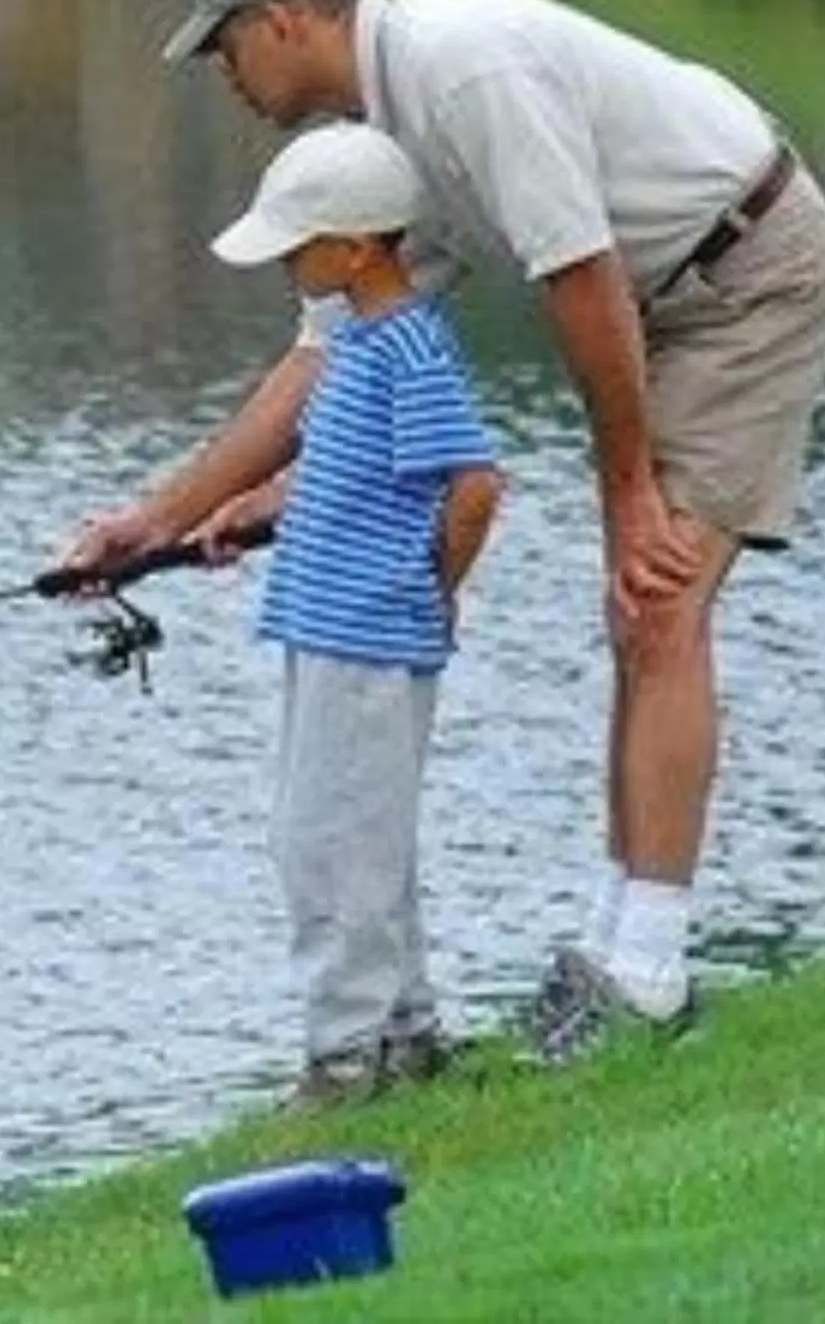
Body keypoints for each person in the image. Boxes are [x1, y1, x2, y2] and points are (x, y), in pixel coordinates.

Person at [60, 0, 825, 1067]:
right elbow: (321, 358)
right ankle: (619, 947)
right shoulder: (381, 159)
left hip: (753, 275)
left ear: (283, 20)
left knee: (660, 601)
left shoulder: (461, 73)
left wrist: (626, 494)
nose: (221, 72)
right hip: (664, 294)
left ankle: (649, 967)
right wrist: (159, 521)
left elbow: (578, 276)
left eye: (223, 44)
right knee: (638, 617)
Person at [188, 119, 503, 1108]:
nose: (285, 258)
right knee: (337, 834)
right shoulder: (358, 342)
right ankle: (404, 1036)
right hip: (324, 629)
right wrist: (249, 510)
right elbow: (343, 478)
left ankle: (342, 1058)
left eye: (299, 240)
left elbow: (474, 485)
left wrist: (432, 589)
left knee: (335, 845)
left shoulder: (407, 344)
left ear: (357, 245)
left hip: (371, 633)